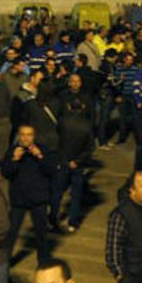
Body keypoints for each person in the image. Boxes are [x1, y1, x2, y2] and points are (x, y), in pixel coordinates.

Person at [0, 124, 55, 263]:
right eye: (23, 134)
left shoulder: (42, 149)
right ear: (18, 135)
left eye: (29, 134)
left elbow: (51, 171)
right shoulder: (12, 151)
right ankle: (3, 264)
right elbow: (5, 173)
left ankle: (44, 263)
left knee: (41, 234)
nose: (26, 138)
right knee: (11, 233)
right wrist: (13, 160)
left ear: (34, 136)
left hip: (38, 199)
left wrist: (40, 156)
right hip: (19, 200)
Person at [54, 97, 95, 232]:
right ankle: (73, 221)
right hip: (78, 164)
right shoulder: (87, 125)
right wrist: (77, 161)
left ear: (69, 107)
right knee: (76, 194)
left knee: (58, 192)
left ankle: (53, 217)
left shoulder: (63, 122)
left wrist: (64, 159)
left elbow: (58, 142)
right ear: (82, 107)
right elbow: (89, 148)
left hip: (63, 161)